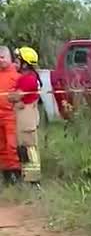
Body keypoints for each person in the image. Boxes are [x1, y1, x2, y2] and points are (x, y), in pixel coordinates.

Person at [11, 47, 41, 183]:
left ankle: (33, 179)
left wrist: (12, 97)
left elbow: (15, 96)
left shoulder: (28, 79)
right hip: (25, 115)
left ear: (25, 63)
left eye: (17, 60)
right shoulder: (28, 77)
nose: (15, 63)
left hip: (26, 116)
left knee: (28, 147)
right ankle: (28, 176)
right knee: (23, 147)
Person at [0, 46, 20, 182]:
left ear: (9, 58)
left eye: (3, 57)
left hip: (11, 116)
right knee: (1, 146)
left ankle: (16, 173)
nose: (0, 60)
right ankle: (5, 173)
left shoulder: (17, 77)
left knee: (12, 145)